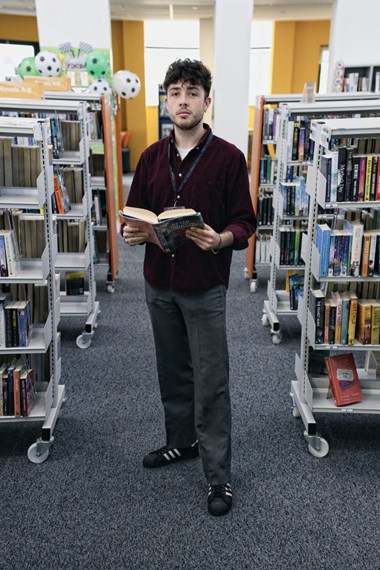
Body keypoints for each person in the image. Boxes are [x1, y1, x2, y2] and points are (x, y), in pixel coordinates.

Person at [122, 59, 256, 516]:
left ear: (206, 101)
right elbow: (135, 211)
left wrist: (221, 238)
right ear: (166, 100)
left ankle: (219, 477)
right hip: (159, 283)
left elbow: (245, 222)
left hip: (204, 287)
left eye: (192, 92)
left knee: (211, 382)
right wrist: (132, 232)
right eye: (175, 91)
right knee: (173, 372)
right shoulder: (150, 157)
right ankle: (181, 442)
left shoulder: (229, 158)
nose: (183, 100)